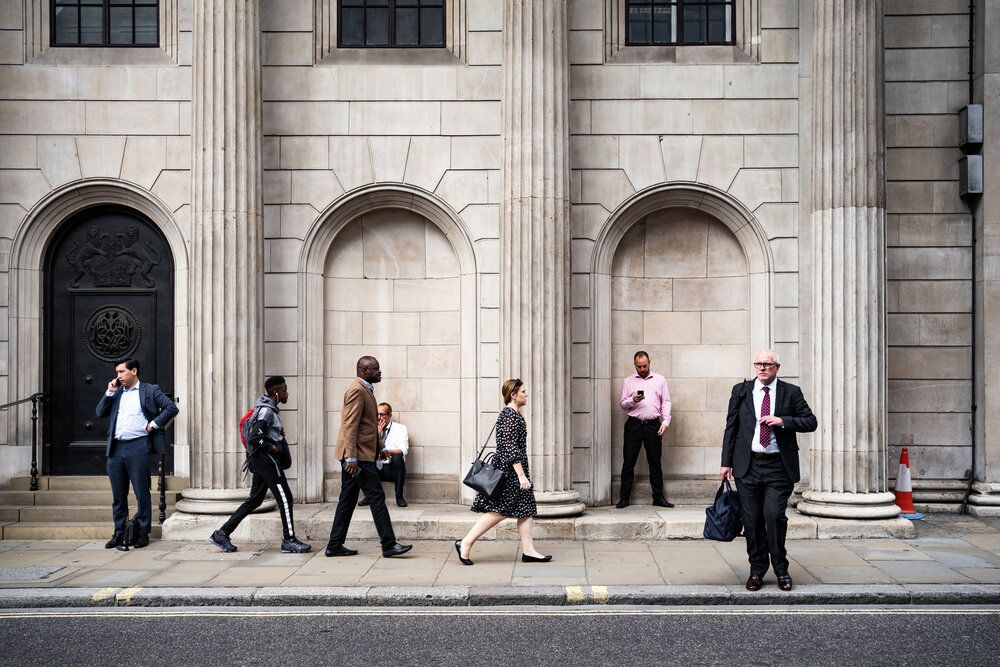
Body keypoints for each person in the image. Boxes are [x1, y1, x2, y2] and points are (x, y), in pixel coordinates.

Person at [720, 349, 817, 592]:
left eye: (767, 364)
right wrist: (725, 462)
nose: (762, 368)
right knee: (751, 522)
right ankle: (757, 570)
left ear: (777, 367)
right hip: (748, 465)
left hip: (778, 467)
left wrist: (783, 421)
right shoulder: (741, 391)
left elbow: (810, 421)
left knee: (773, 517)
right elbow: (731, 428)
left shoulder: (790, 392)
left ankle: (781, 569)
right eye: (758, 364)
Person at [209, 376, 311, 554]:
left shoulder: (269, 410)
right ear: (276, 392)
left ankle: (222, 533)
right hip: (267, 460)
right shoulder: (267, 411)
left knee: (255, 500)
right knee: (285, 498)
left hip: (262, 460)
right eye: (285, 390)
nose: (288, 393)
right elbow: (255, 437)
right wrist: (272, 446)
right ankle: (289, 540)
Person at [455, 378, 551, 566]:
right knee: (499, 510)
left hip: (514, 468)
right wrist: (521, 475)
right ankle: (465, 543)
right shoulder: (509, 416)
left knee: (526, 509)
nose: (526, 394)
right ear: (513, 395)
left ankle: (529, 551)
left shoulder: (515, 414)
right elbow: (509, 447)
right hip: (509, 471)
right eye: (523, 391)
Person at [325, 356, 412, 558]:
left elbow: (368, 426)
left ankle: (334, 545)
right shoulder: (357, 390)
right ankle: (389, 544)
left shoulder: (367, 389)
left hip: (362, 453)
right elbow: (350, 426)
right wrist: (352, 458)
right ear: (364, 371)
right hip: (358, 456)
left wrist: (381, 447)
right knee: (377, 497)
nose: (379, 372)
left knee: (347, 500)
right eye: (376, 369)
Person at [95, 358, 178, 549]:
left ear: (134, 371)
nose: (118, 376)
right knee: (118, 495)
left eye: (122, 372)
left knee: (142, 493)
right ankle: (119, 532)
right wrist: (109, 392)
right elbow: (100, 412)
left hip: (138, 447)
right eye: (117, 372)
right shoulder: (116, 392)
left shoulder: (150, 390)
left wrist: (154, 424)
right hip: (115, 448)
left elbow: (171, 408)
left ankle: (142, 533)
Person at [616, 351, 673, 508]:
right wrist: (632, 400)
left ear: (649, 363)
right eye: (639, 366)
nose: (642, 369)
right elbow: (622, 404)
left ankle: (658, 497)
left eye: (645, 366)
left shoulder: (659, 380)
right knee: (628, 462)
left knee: (655, 462)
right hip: (634, 425)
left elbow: (666, 401)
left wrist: (665, 421)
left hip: (653, 425)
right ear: (635, 365)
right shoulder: (628, 381)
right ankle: (624, 498)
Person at [358, 402, 410, 508]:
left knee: (397, 458)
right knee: (357, 461)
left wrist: (385, 452)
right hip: (375, 469)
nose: (379, 417)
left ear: (390, 416)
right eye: (377, 414)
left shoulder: (400, 429)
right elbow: (366, 449)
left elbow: (403, 450)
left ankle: (399, 497)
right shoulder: (371, 429)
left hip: (391, 468)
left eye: (382, 414)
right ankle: (369, 495)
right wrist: (376, 434)